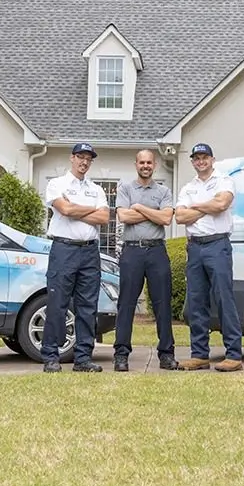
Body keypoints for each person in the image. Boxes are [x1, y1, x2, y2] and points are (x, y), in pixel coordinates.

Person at [174, 143, 243, 372]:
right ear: (192, 161)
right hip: (195, 248)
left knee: (224, 299)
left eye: (204, 157)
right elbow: (181, 217)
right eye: (196, 158)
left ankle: (233, 355)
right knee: (196, 302)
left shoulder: (223, 180)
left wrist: (196, 206)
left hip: (217, 245)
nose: (200, 161)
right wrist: (208, 206)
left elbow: (222, 203)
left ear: (212, 159)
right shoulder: (188, 187)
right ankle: (200, 355)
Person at [42, 142, 110, 373]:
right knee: (57, 303)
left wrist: (75, 209)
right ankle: (51, 356)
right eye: (80, 157)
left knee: (88, 307)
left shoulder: (97, 189)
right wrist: (85, 210)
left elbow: (104, 218)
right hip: (64, 250)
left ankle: (83, 358)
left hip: (90, 252)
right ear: (72, 158)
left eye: (88, 159)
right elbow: (65, 210)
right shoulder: (56, 184)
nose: (84, 162)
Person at [113, 149, 180, 372]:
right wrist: (155, 214)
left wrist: (139, 208)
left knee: (162, 304)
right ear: (136, 164)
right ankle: (121, 354)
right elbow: (124, 216)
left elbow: (166, 218)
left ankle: (167, 354)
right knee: (126, 304)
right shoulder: (125, 188)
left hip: (156, 252)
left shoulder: (163, 190)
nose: (145, 165)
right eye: (141, 162)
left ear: (155, 164)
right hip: (132, 252)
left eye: (149, 162)